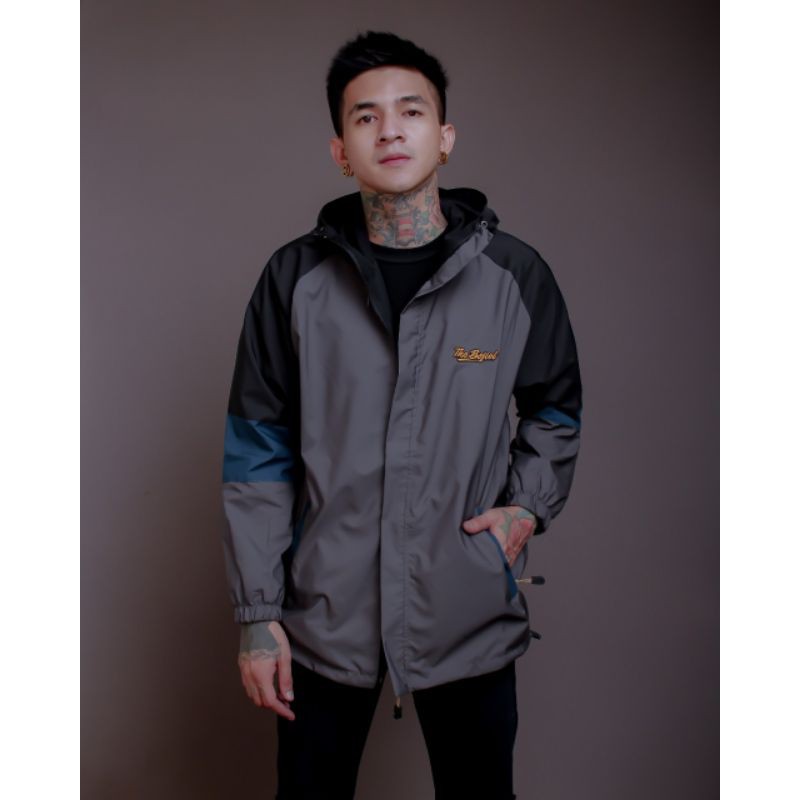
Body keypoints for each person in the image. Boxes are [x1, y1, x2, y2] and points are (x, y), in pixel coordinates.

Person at [221, 30, 582, 800]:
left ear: (444, 137)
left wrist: (525, 507)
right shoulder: (295, 279)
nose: (390, 130)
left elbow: (555, 408)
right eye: (366, 117)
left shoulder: (513, 276)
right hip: (322, 617)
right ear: (340, 151)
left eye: (411, 112)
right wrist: (257, 612)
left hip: (466, 611)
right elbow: (256, 451)